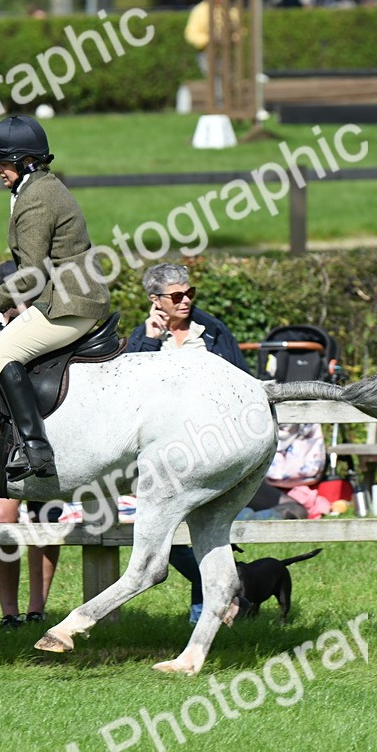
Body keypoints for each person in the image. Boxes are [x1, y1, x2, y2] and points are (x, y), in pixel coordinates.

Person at [0, 115, 110, 482]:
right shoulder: (38, 188)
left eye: (3, 163)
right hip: (64, 297)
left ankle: (36, 448)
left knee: (0, 353)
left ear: (24, 162)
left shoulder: (36, 199)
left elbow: (32, 273)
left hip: (71, 303)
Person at [124, 263, 248, 624]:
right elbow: (125, 393)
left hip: (211, 444)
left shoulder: (212, 330)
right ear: (155, 300)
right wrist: (148, 341)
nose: (186, 301)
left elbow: (240, 378)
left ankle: (202, 615)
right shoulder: (143, 336)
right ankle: (226, 592)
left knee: (202, 526)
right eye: (177, 296)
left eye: (190, 293)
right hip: (161, 454)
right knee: (167, 534)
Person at [0, 262, 62, 630]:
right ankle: (8, 613)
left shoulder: (47, 327)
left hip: (48, 437)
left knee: (46, 519)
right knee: (1, 519)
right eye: (22, 296)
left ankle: (37, 610)